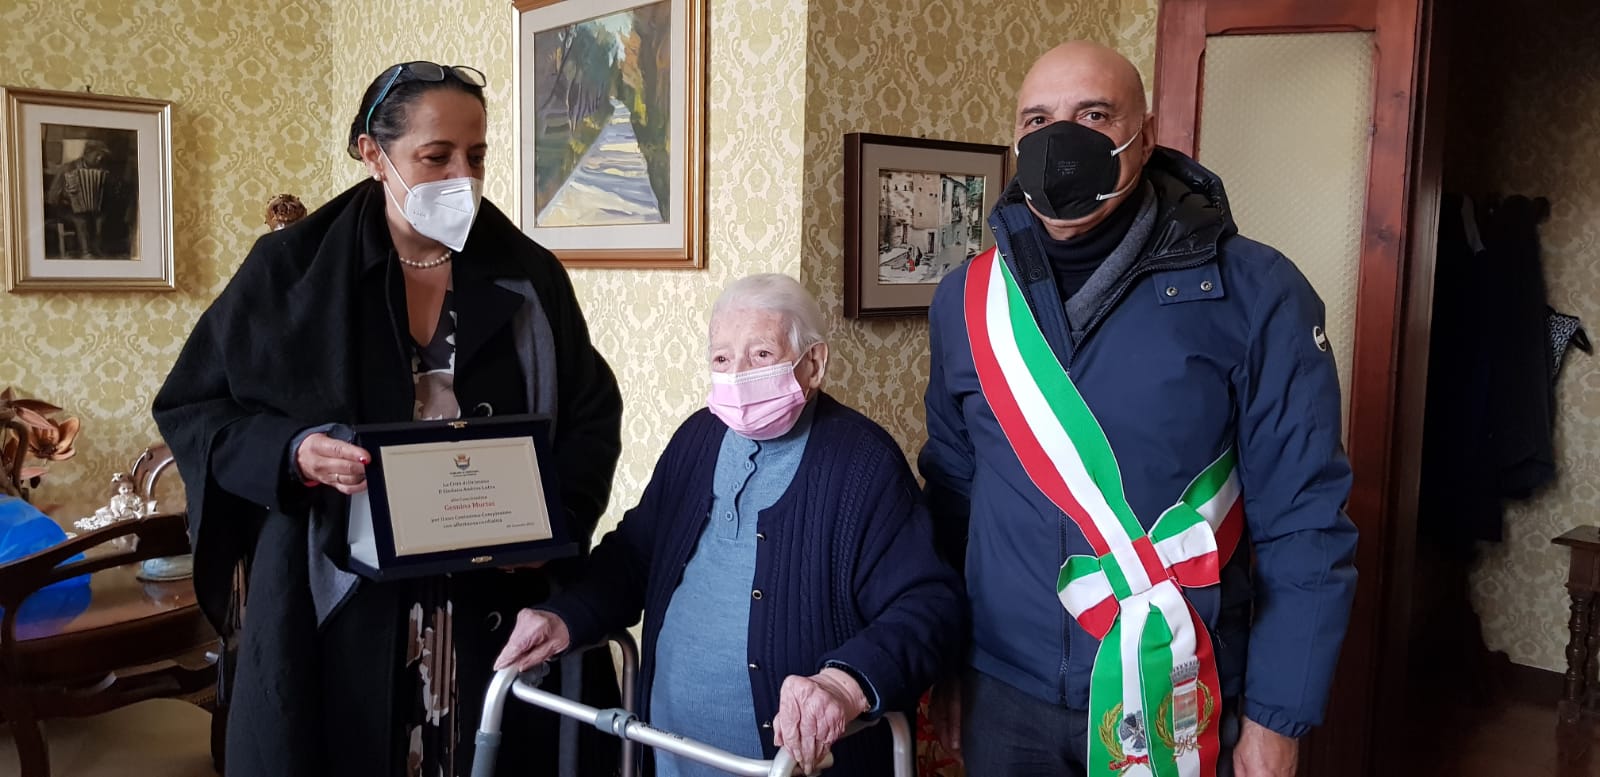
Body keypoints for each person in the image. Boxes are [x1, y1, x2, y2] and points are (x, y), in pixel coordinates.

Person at [153, 61, 624, 777]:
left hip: (493, 597)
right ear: (374, 154)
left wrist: (556, 525)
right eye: (435, 156)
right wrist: (292, 450)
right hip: (338, 602)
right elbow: (193, 408)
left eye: (476, 155)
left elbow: (592, 413)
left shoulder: (530, 274)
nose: (462, 177)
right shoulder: (290, 271)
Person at [919, 41, 1359, 777]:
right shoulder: (966, 301)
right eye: (1038, 120)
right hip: (1005, 693)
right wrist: (949, 662)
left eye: (1094, 114)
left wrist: (1278, 718)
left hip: (1181, 689)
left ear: (1146, 137)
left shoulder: (1257, 292)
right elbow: (954, 494)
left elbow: (1305, 521)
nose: (1061, 140)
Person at [494, 273, 964, 777]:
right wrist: (565, 615)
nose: (737, 375)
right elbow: (634, 556)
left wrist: (841, 684)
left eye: (761, 355)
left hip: (795, 765)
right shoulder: (697, 439)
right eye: (722, 359)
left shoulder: (862, 464)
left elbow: (927, 605)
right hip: (671, 753)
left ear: (813, 363)